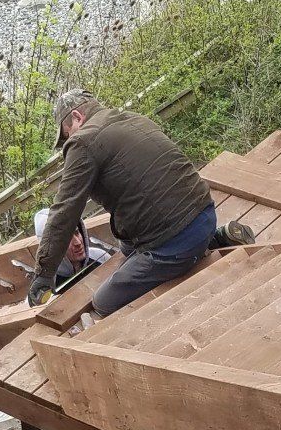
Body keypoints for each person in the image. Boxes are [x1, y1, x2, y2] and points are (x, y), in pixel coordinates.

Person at [28, 90, 247, 314]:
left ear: (77, 117)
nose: (68, 140)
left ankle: (198, 251)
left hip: (174, 240)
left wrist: (44, 275)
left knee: (104, 302)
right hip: (205, 212)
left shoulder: (83, 142)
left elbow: (65, 211)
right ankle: (212, 238)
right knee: (126, 246)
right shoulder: (132, 118)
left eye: (67, 134)